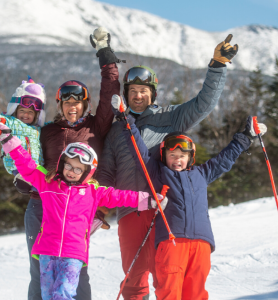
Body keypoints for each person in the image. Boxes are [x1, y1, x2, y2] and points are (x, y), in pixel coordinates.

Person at [96, 35, 238, 299]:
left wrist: (218, 65)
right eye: (133, 91)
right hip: (130, 211)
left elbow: (203, 105)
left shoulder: (169, 118)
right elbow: (105, 172)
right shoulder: (116, 132)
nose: (138, 96)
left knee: (168, 279)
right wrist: (101, 208)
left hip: (166, 212)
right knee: (133, 279)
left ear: (153, 94)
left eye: (144, 91)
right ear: (126, 94)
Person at [0, 122, 168, 300]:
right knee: (47, 295)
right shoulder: (48, 183)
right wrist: (8, 139)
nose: (71, 171)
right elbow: (27, 165)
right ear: (62, 163)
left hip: (73, 254)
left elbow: (120, 196)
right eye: (69, 165)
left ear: (87, 173)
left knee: (63, 294)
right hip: (47, 250)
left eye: (78, 169)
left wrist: (150, 200)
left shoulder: (93, 192)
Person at [112, 99, 267, 299]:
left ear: (190, 157)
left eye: (182, 155)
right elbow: (138, 149)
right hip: (171, 242)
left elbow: (225, 159)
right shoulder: (157, 173)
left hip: (202, 244)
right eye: (172, 154)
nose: (177, 159)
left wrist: (246, 137)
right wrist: (126, 119)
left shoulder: (202, 173)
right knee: (170, 291)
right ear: (164, 156)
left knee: (196, 293)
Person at [24, 27, 122, 299]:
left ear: (85, 104)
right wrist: (21, 175)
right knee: (38, 272)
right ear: (59, 104)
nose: (72, 106)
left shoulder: (96, 126)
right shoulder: (47, 132)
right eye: (66, 101)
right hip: (40, 204)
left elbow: (110, 89)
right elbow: (26, 156)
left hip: (76, 208)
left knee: (75, 271)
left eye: (78, 101)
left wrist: (105, 52)